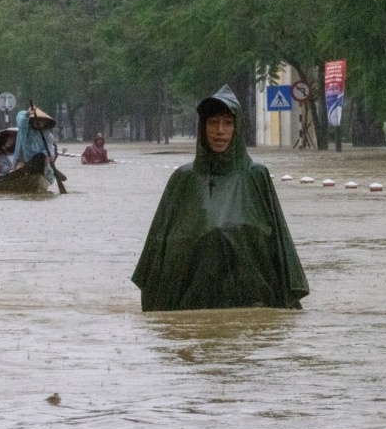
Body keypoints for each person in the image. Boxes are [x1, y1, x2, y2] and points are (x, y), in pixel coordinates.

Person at [132, 86, 308, 311]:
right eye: (213, 123)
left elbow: (280, 248)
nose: (220, 131)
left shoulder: (256, 177)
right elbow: (157, 254)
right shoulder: (183, 180)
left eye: (228, 123)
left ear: (237, 128)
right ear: (203, 128)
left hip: (251, 306)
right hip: (191, 307)